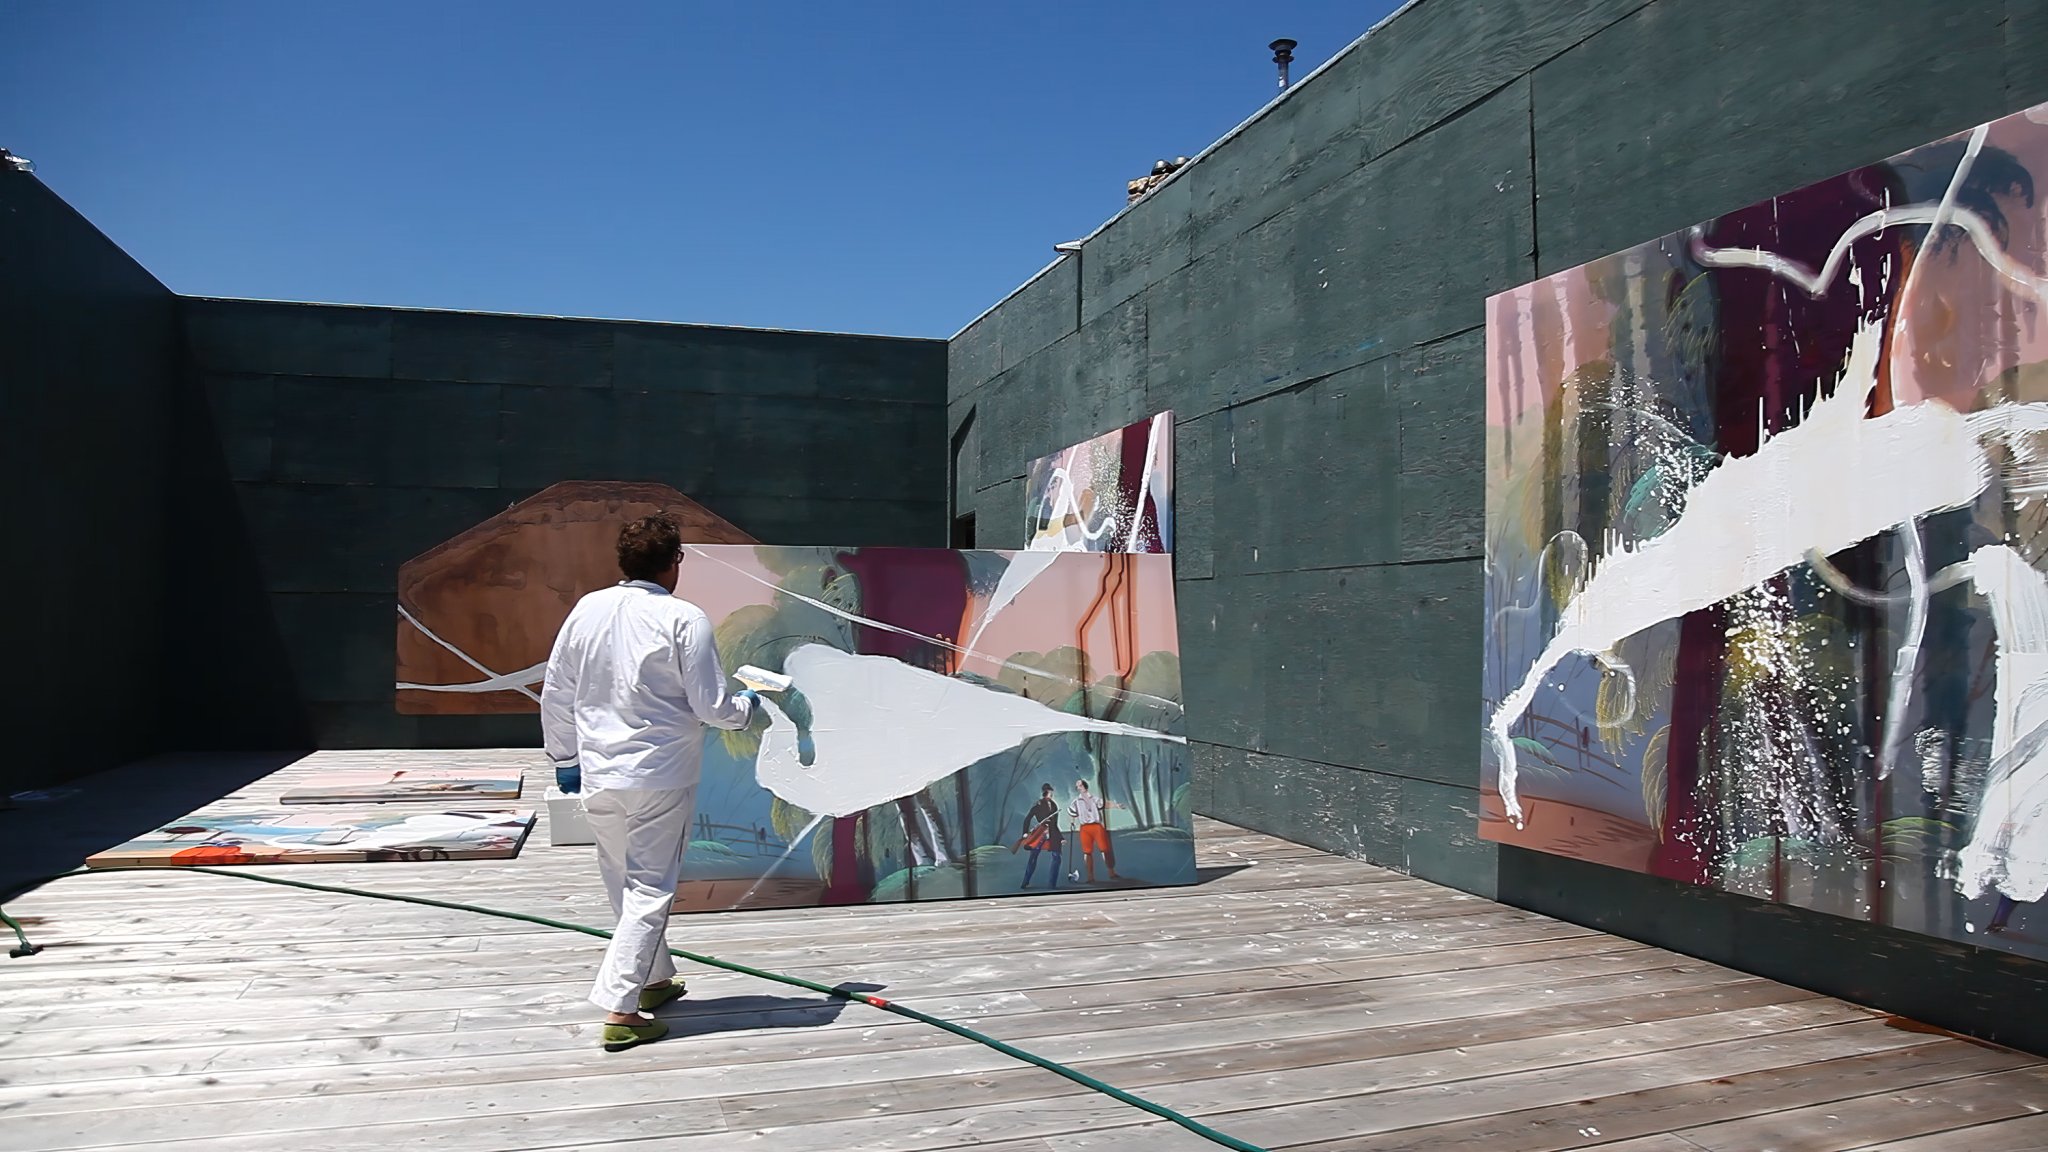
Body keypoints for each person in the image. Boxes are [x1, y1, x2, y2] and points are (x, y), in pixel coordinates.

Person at [541, 514, 760, 1052]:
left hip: (597, 771)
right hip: (660, 774)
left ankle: (654, 980)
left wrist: (563, 756)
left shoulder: (586, 609)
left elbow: (555, 690)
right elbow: (712, 705)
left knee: (623, 882)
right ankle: (622, 1008)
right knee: (649, 889)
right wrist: (747, 708)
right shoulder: (685, 617)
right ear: (675, 561)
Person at [1068, 779, 1122, 884]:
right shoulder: (1076, 801)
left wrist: (1116, 806)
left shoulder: (1094, 799)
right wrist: (1072, 823)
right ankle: (1090, 876)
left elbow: (1104, 804)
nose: (1077, 788)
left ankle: (1111, 872)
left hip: (1096, 826)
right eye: (1077, 786)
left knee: (1105, 849)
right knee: (1087, 852)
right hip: (1084, 828)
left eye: (1079, 785)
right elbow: (1072, 813)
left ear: (1084, 786)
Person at [1015, 783, 1064, 890]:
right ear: (1045, 792)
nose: (1051, 794)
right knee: (1033, 857)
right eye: (1049, 792)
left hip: (1052, 833)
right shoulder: (1038, 805)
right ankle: (1025, 882)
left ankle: (1052, 884)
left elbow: (1055, 824)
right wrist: (1025, 832)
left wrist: (1061, 838)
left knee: (1057, 856)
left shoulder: (1054, 805)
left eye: (1051, 792)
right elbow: (1028, 818)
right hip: (1040, 833)